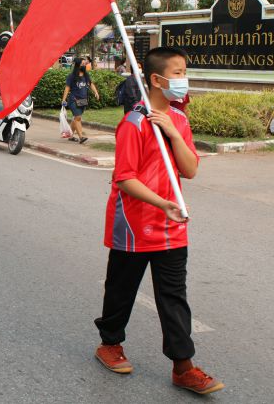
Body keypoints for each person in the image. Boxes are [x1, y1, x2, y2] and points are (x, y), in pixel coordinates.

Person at [94, 46, 223, 395]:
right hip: (133, 226)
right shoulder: (133, 123)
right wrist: (162, 203)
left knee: (174, 297)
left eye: (184, 72)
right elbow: (125, 178)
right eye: (178, 73)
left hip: (171, 226)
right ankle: (110, 344)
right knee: (121, 290)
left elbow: (190, 170)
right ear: (156, 79)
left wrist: (174, 133)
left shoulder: (179, 119)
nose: (184, 79)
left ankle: (183, 367)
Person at [61, 57, 100, 144]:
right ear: (78, 65)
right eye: (82, 64)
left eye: (84, 64)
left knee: (76, 118)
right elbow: (67, 88)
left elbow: (91, 84)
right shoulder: (71, 76)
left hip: (83, 100)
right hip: (73, 100)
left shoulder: (86, 75)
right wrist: (64, 99)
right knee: (78, 117)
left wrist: (96, 92)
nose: (84, 65)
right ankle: (81, 137)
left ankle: (70, 135)